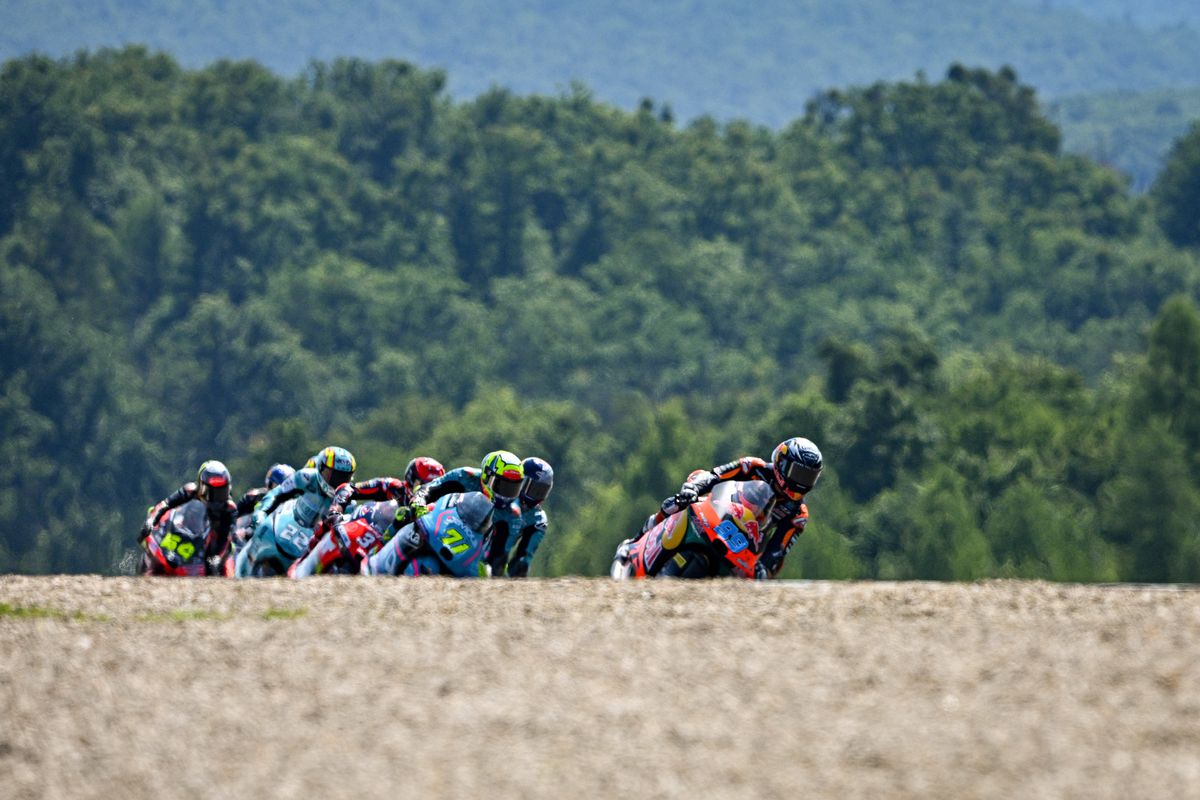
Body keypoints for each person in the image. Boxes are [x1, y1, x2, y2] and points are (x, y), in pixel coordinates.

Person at [639, 437, 823, 578]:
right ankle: (642, 535)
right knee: (675, 504)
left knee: (760, 578)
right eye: (799, 473)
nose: (802, 482)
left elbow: (778, 549)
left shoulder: (798, 514)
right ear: (782, 463)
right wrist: (693, 488)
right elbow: (715, 476)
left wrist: (764, 567)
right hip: (717, 516)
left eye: (809, 477)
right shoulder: (752, 467)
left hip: (744, 547)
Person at [140, 460, 238, 565]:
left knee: (226, 553)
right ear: (201, 486)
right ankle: (150, 554)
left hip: (209, 541)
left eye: (222, 492)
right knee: (151, 521)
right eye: (212, 492)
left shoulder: (230, 509)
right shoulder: (190, 491)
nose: (217, 498)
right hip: (183, 530)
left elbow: (225, 538)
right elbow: (166, 504)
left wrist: (217, 557)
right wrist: (151, 520)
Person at [488, 456, 553, 577]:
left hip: (498, 560)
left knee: (521, 565)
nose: (536, 495)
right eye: (533, 489)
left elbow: (527, 551)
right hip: (479, 545)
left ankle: (507, 571)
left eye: (541, 491)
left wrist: (522, 563)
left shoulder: (538, 518)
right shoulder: (500, 498)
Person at [325, 456, 446, 519]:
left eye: (433, 486)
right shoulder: (393, 486)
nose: (428, 489)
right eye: (423, 484)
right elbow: (349, 489)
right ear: (412, 479)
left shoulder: (440, 510)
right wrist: (336, 510)